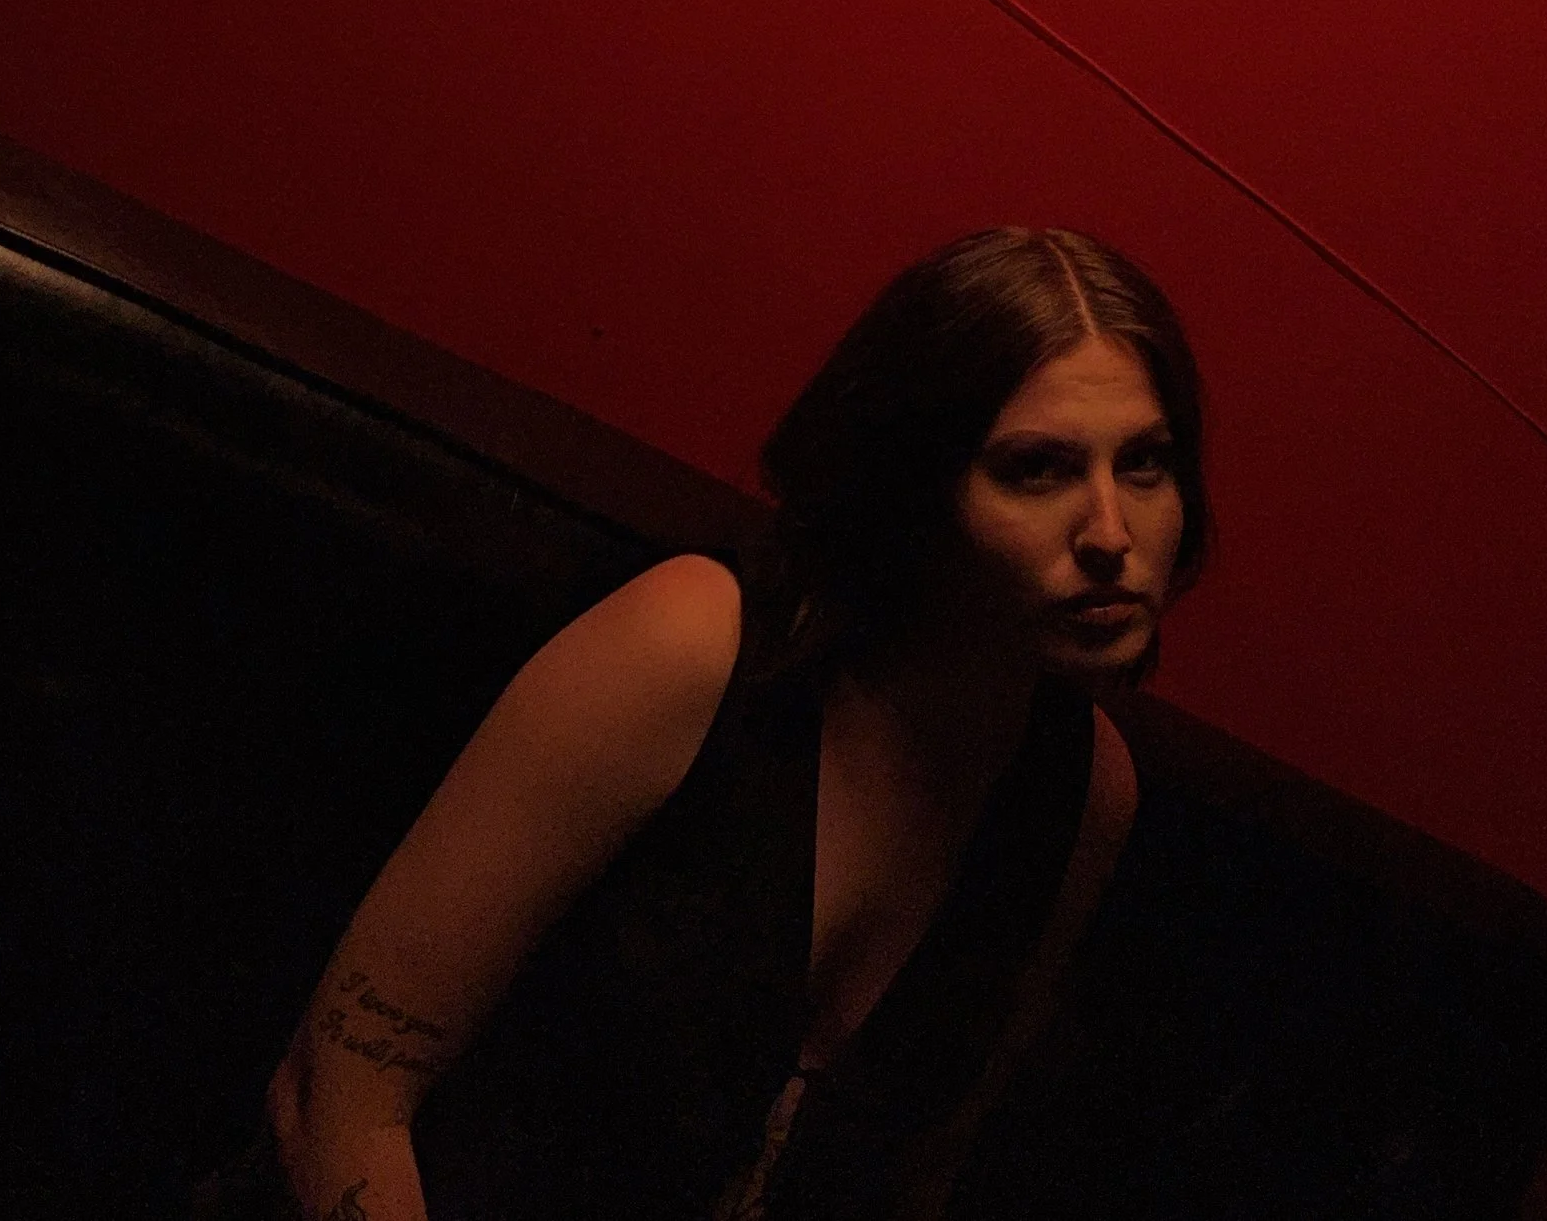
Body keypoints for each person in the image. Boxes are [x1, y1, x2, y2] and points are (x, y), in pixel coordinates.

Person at [262, 226, 1211, 1221]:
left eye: (1144, 465)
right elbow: (340, 1095)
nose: (1110, 532)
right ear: (915, 493)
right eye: (1036, 470)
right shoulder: (692, 647)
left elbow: (918, 1174)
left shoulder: (1083, 795)